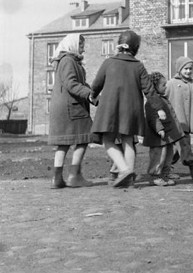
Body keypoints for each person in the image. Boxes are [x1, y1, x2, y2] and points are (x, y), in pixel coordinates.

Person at [90, 30, 167, 188]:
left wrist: (93, 95)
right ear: (135, 48)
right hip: (131, 109)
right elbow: (149, 90)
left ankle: (124, 170)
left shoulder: (108, 62)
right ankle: (129, 178)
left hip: (110, 108)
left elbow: (97, 84)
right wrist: (159, 108)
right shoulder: (138, 66)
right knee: (128, 140)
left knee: (108, 140)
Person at [48, 33, 94, 189]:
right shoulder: (68, 61)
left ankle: (57, 178)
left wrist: (91, 91)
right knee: (84, 137)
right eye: (81, 45)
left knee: (64, 142)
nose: (83, 49)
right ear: (73, 44)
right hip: (71, 106)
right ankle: (75, 176)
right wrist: (89, 94)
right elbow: (71, 84)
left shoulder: (66, 60)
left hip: (64, 105)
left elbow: (77, 83)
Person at [143, 71, 184, 186]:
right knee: (158, 156)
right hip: (157, 137)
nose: (166, 87)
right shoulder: (152, 102)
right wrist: (159, 129)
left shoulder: (163, 99)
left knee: (168, 154)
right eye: (163, 85)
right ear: (155, 87)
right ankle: (155, 175)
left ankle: (165, 173)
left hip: (167, 136)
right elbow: (152, 117)